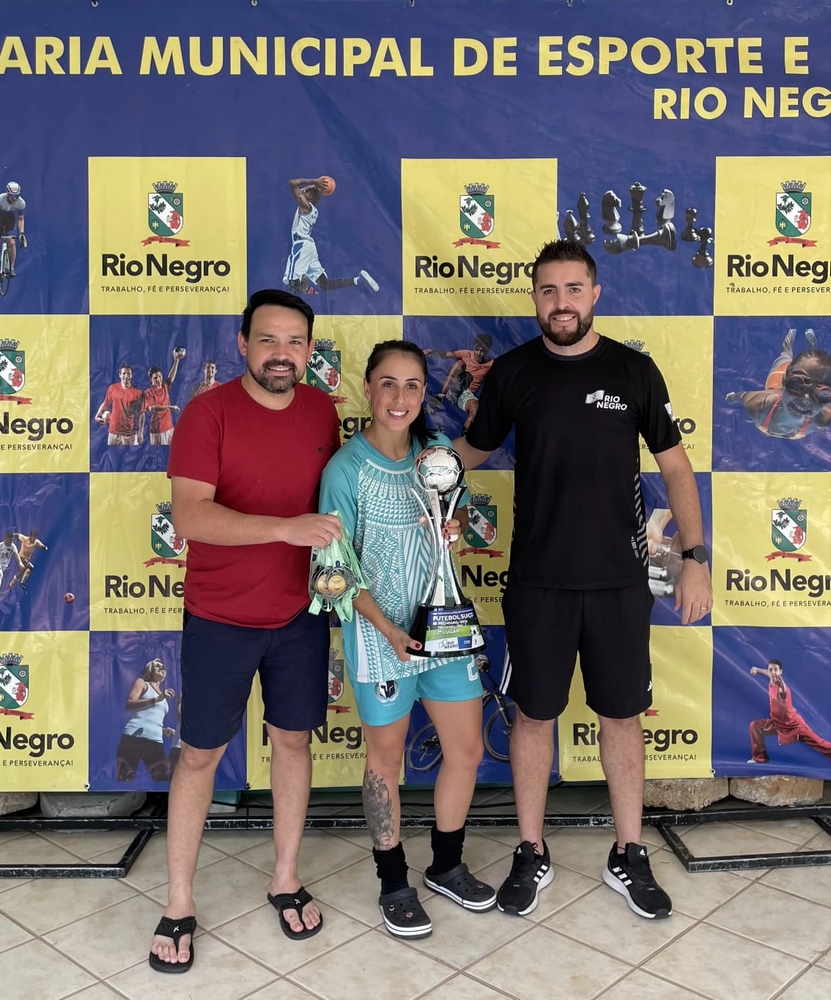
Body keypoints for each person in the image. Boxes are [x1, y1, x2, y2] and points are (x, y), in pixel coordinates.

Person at [453, 240, 712, 921]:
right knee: (533, 716)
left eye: (573, 289)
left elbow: (676, 466)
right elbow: (472, 450)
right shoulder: (513, 372)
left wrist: (695, 558)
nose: (560, 302)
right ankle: (530, 850)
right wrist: (404, 473)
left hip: (620, 581)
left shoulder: (633, 369)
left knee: (621, 716)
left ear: (594, 294)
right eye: (548, 290)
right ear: (534, 298)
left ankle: (628, 852)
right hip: (537, 580)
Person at [149, 289, 342, 973]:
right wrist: (285, 529)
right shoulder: (207, 413)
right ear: (242, 344)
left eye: (294, 342)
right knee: (199, 757)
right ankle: (178, 901)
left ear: (309, 350)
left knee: (293, 743)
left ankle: (285, 878)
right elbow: (191, 517)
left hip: (300, 617)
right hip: (220, 619)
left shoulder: (322, 410)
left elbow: (340, 501)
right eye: (268, 339)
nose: (281, 354)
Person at [319, 340, 495, 940]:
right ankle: (393, 881)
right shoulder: (344, 470)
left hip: (443, 631)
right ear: (368, 389)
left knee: (466, 752)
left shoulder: (437, 453)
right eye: (388, 384)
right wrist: (389, 630)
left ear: (425, 393)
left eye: (413, 385)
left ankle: (446, 866)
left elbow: (459, 526)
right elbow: (333, 572)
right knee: (385, 761)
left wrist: (455, 526)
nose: (400, 397)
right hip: (380, 639)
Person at [725, 328, 831, 439]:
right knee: (785, 354)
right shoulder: (757, 406)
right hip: (776, 378)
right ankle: (792, 331)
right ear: (783, 382)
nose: (806, 398)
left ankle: (812, 348)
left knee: (816, 368)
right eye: (797, 384)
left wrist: (733, 398)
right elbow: (743, 396)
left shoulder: (823, 420)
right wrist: (733, 397)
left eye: (822, 392)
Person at [282, 176, 379, 295]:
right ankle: (358, 280)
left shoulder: (306, 207)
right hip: (309, 247)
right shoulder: (312, 210)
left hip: (301, 245)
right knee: (325, 284)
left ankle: (302, 287)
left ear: (310, 197)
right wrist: (316, 187)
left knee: (293, 286)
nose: (304, 190)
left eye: (306, 191)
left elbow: (292, 183)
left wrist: (313, 181)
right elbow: (300, 190)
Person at [748, 660, 831, 763]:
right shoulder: (771, 678)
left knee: (821, 744)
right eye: (770, 670)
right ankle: (759, 758)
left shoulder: (782, 689)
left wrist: (781, 684)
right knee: (755, 726)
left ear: (780, 672)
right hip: (778, 724)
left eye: (775, 670)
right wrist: (757, 670)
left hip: (794, 726)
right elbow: (769, 673)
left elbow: (782, 687)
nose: (773, 672)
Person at [116, 659, 177, 782]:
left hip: (155, 740)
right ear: (150, 670)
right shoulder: (142, 683)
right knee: (125, 779)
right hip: (133, 737)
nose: (161, 668)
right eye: (157, 666)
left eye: (163, 667)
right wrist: (156, 700)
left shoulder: (163, 697)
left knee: (164, 779)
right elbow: (129, 704)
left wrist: (163, 730)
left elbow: (151, 717)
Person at [425, 334, 496, 431]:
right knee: (460, 363)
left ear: (487, 350)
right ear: (474, 347)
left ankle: (465, 434)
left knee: (475, 407)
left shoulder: (491, 363)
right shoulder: (467, 354)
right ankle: (440, 396)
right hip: (454, 388)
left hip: (466, 396)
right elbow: (449, 354)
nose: (478, 353)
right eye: (477, 349)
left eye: (482, 351)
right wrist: (432, 351)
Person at [94, 365, 144, 446]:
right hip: (113, 432)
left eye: (128, 373)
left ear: (131, 375)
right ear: (119, 375)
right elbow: (105, 404)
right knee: (111, 453)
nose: (126, 376)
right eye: (124, 373)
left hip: (130, 433)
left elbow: (142, 413)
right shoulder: (112, 388)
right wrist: (97, 416)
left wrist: (141, 432)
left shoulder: (138, 393)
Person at [143, 350, 183, 445]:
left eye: (160, 377)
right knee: (159, 453)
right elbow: (152, 408)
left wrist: (176, 361)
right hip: (158, 431)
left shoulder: (164, 386)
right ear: (151, 379)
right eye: (155, 378)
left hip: (169, 428)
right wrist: (169, 407)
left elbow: (171, 378)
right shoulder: (149, 392)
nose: (158, 380)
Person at [0, 181, 27, 277]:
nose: (14, 199)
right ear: (7, 194)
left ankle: (11, 268)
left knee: (11, 243)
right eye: (12, 196)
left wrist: (21, 233)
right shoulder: (0, 199)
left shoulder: (21, 203)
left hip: (10, 220)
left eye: (16, 196)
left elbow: (21, 219)